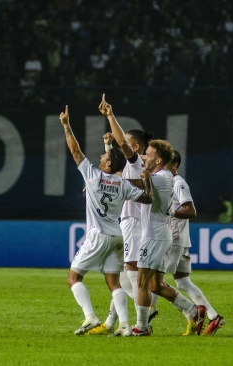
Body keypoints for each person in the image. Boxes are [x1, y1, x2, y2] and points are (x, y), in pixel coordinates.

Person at [94, 95, 205, 336]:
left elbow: (132, 169)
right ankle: (192, 311)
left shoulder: (163, 178)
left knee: (141, 281)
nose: (145, 155)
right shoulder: (153, 173)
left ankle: (141, 326)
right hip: (152, 233)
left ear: (159, 159)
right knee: (153, 283)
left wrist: (109, 181)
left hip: (153, 234)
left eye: (149, 153)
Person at [59, 104, 153, 337]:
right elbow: (148, 199)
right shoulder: (123, 183)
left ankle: (90, 316)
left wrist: (67, 126)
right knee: (114, 283)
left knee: (74, 278)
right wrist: (148, 179)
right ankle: (124, 325)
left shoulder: (92, 175)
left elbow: (75, 151)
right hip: (117, 235)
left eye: (103, 157)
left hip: (97, 235)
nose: (100, 158)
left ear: (108, 165)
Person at [87, 99, 155, 336]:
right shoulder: (132, 167)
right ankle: (110, 322)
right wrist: (106, 149)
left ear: (135, 147)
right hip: (132, 223)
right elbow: (112, 172)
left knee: (129, 276)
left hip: (134, 224)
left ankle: (146, 315)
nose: (121, 143)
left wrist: (110, 115)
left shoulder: (137, 163)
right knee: (122, 275)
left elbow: (120, 149)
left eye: (126, 141)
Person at [159, 150, 225, 335]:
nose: (163, 166)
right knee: (183, 282)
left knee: (155, 281)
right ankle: (214, 316)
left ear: (175, 165)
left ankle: (146, 321)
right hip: (179, 239)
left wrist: (168, 212)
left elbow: (191, 210)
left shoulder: (178, 183)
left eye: (167, 163)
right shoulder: (166, 182)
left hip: (174, 239)